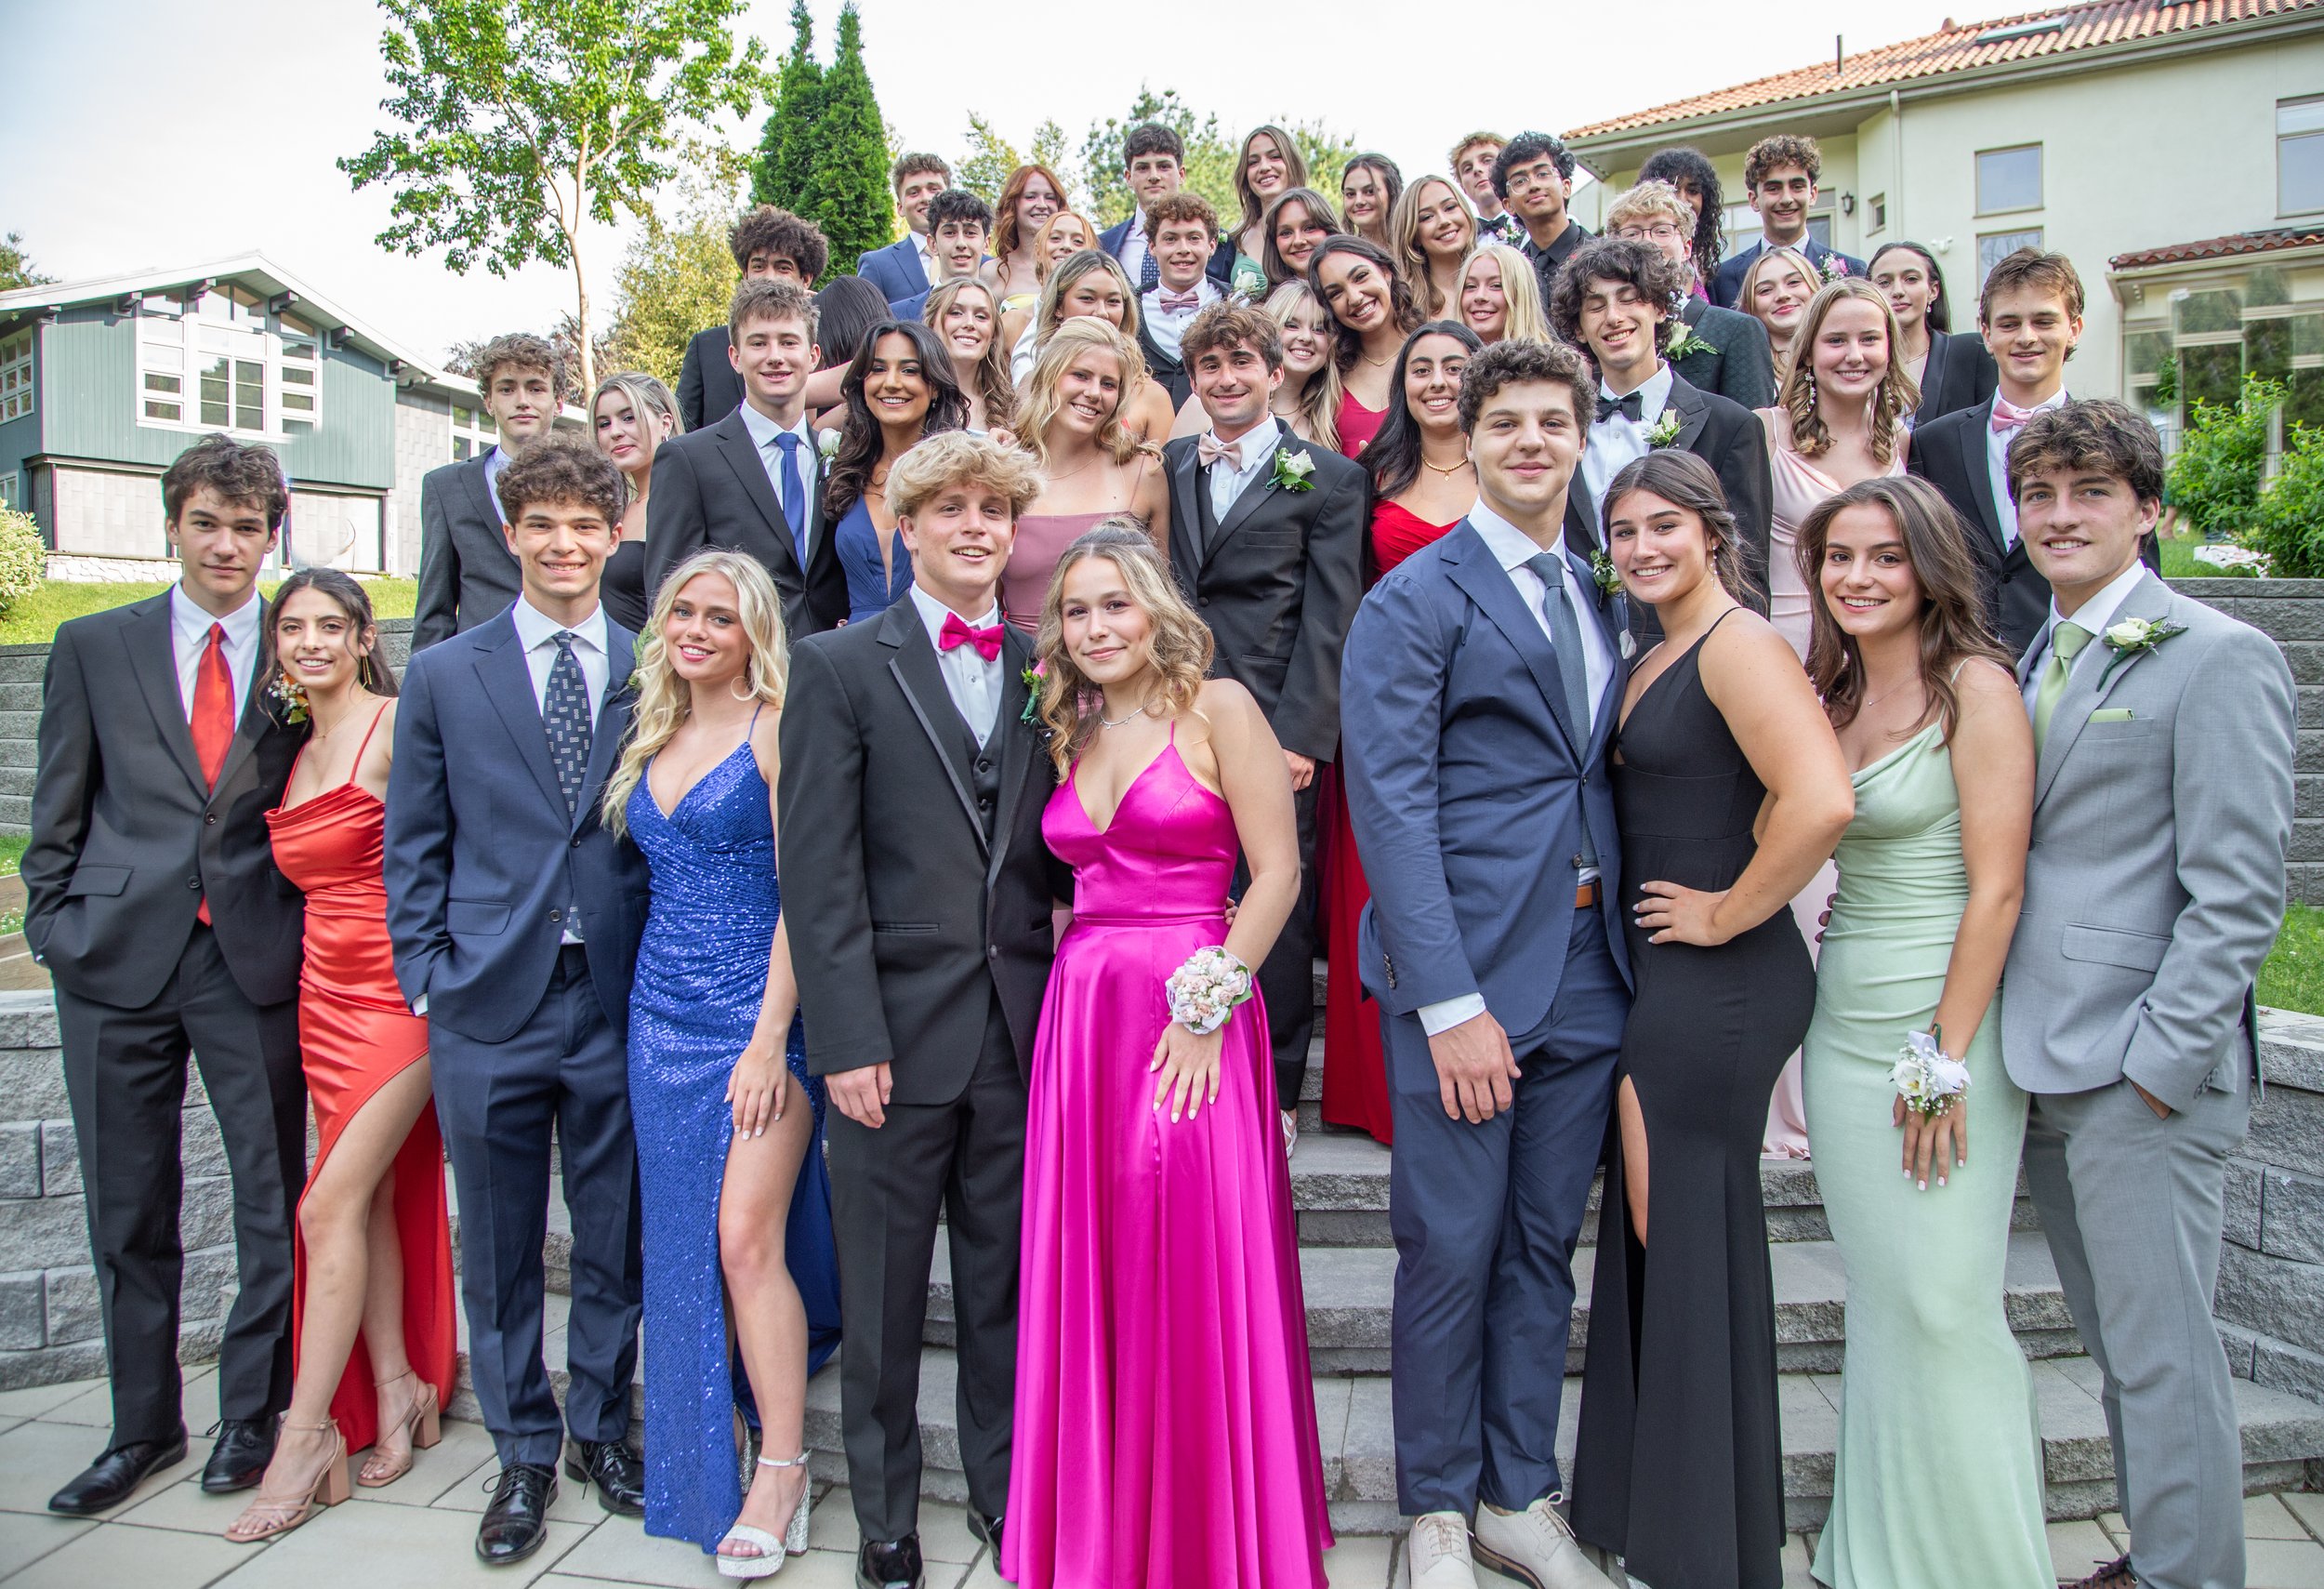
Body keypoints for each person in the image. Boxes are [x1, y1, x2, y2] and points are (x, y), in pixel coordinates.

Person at [1342, 339, 1631, 1589]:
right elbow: (1391, 807)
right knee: (1450, 1244)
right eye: (1504, 420)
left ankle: (1520, 1490)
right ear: (1471, 436)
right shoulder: (1418, 597)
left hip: (1589, 963)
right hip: (1462, 974)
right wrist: (1450, 1002)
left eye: (1551, 421)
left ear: (1580, 437)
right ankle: (1436, 1509)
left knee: (1538, 1244)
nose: (1528, 441)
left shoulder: (1604, 589)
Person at [1003, 523, 1332, 1589]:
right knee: (1094, 1259)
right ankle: (1102, 1529)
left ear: (1156, 610)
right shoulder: (1072, 725)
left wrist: (1208, 1000)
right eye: (1077, 610)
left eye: (1114, 604)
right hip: (1084, 1016)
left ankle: (1204, 1531)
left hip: (1189, 1011)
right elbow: (1069, 889)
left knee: (1184, 1249)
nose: (1096, 627)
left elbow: (1276, 873)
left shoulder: (1219, 708)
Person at [2004, 401, 2293, 1589]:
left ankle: (2189, 1575)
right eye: (2040, 496)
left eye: (2090, 494)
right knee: (2123, 1349)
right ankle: (2156, 1553)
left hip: (2141, 1077)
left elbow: (2238, 890)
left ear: (2149, 511)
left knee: (2166, 1353)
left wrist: (2158, 1065)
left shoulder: (2217, 654)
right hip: (2045, 1057)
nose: (2060, 516)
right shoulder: (2037, 646)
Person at [779, 431, 1063, 1589]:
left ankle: (1003, 1494)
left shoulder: (1055, 663)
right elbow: (818, 869)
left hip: (1019, 1031)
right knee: (886, 1295)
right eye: (946, 507)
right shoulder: (840, 664)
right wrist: (842, 1035)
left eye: (991, 508)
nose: (972, 526)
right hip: (886, 1042)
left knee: (1003, 1288)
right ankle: (886, 1517)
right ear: (904, 527)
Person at [1568, 450, 1855, 1589]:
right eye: (1623, 531)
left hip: (1720, 975)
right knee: (1667, 1230)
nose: (1641, 549)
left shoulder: (1739, 642)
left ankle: (1701, 1546)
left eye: (1662, 527)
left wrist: (1732, 909)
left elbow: (1819, 796)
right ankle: (1673, 1511)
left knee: (1679, 1226)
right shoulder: (1653, 650)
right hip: (1667, 969)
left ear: (1712, 528)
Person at [384, 436, 653, 1565]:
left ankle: (601, 1424)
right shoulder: (447, 669)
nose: (564, 543)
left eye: (585, 525)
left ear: (611, 536)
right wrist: (430, 974)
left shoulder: (654, 664)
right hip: (486, 1000)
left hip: (614, 993)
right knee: (495, 1244)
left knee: (612, 1236)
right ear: (510, 537)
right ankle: (523, 1451)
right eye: (542, 524)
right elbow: (414, 841)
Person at [32, 437, 311, 1518]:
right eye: (209, 523)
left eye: (249, 527)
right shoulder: (95, 644)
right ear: (173, 525)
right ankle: (141, 1424)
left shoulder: (303, 643)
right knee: (127, 1205)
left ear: (272, 534)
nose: (229, 545)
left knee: (268, 1193)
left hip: (248, 956)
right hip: (115, 959)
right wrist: (55, 927)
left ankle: (254, 1411)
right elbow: (57, 804)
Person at [1793, 476, 2049, 1589]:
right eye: (1838, 557)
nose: (1856, 577)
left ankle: (1984, 1563)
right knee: (1890, 1293)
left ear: (1928, 565)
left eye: (1884, 557)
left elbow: (1997, 889)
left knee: (1947, 1301)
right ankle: (1877, 1553)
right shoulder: (1830, 693)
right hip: (1842, 1016)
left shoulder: (1975, 688)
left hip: (1943, 1024)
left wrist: (1943, 1056)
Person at [603, 550, 842, 1570]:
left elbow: (806, 893)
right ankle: (710, 1455)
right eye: (681, 612)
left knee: (746, 1239)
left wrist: (764, 1039)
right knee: (680, 1245)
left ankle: (784, 1466)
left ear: (754, 634)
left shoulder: (776, 727)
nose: (696, 630)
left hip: (761, 1021)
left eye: (720, 616)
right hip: (658, 1016)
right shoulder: (651, 726)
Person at [222, 572, 454, 1543]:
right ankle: (397, 1385)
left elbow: (459, 839)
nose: (310, 641)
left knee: (324, 1204)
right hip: (321, 994)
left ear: (364, 637)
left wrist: (447, 971)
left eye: (330, 626)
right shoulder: (291, 743)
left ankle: (306, 1431)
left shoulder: (396, 723)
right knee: (364, 1197)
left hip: (401, 997)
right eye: (292, 627)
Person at [1163, 301, 1367, 1153]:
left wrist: (1303, 736)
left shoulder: (1326, 477)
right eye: (1211, 367)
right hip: (1175, 712)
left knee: (1269, 897)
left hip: (1273, 722)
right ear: (1195, 379)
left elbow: (1333, 614)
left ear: (1276, 373)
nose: (1227, 379)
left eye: (1243, 363)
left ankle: (1276, 1092)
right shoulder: (1174, 464)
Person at [1320, 321, 1481, 1149]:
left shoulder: (1505, 469)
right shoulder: (1370, 477)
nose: (1437, 380)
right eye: (1421, 368)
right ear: (1401, 386)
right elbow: (1340, 599)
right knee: (1381, 884)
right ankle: (1377, 1092)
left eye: (1456, 366)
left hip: (1490, 707)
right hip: (1388, 703)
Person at [1908, 249, 2152, 657]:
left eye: (2043, 321)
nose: (2026, 337)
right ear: (1986, 333)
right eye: (2009, 323)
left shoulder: (2117, 441)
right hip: (1960, 658)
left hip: (2081, 655)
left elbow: (2142, 563)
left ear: (2074, 329)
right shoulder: (1935, 443)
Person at [1548, 237, 1771, 615]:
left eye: (1629, 298)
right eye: (1595, 306)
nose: (1614, 317)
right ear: (1580, 329)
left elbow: (1747, 574)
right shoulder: (1559, 429)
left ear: (1661, 308)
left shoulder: (1731, 427)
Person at [646, 279, 849, 640]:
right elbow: (669, 591)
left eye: (789, 342)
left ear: (813, 356)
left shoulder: (839, 456)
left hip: (831, 666)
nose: (775, 356)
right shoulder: (688, 460)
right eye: (759, 343)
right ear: (735, 357)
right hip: (738, 671)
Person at [1761, 277, 1918, 656]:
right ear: (1809, 352)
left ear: (1889, 349)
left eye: (1869, 339)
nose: (1854, 355)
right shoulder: (1766, 431)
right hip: (1784, 644)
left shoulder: (1900, 440)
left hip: (1874, 647)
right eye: (1836, 341)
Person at [1008, 318, 1170, 629]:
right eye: (1080, 375)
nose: (1094, 393)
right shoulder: (1007, 472)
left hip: (1114, 670)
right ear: (1050, 378)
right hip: (1020, 665)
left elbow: (1161, 601)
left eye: (1108, 384)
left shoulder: (1144, 473)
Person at [414, 334, 561, 650]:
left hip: (569, 658)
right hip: (480, 663)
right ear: (489, 402)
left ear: (557, 402)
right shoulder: (446, 488)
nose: (522, 400)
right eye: (507, 389)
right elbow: (434, 609)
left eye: (536, 388)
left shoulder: (595, 481)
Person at [827, 321, 971, 623]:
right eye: (878, 369)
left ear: (934, 387)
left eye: (909, 370)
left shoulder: (963, 473)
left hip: (935, 644)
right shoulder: (844, 473)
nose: (891, 382)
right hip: (855, 650)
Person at [1604, 179, 1775, 410]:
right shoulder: (1605, 330)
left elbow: (1752, 432)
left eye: (1661, 231)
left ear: (1686, 248)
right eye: (1632, 233)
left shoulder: (1736, 330)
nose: (1647, 242)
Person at [677, 206, 828, 430]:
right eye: (759, 266)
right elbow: (682, 431)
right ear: (745, 275)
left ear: (805, 279)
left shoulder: (826, 347)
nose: (769, 277)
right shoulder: (706, 347)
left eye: (782, 268)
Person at [1007, 249, 1175, 441]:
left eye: (1113, 301)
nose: (1102, 312)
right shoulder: (1033, 382)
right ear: (1058, 307)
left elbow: (1158, 470)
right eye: (1087, 298)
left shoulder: (1152, 396)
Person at [1711, 135, 1867, 309]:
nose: (1786, 199)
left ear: (1813, 194)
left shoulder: (1854, 271)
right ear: (1754, 199)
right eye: (1773, 189)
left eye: (1797, 187)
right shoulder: (1723, 278)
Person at [1311, 235, 1424, 457]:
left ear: (1386, 272)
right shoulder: (1328, 374)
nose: (1354, 298)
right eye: (1336, 293)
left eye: (1360, 277)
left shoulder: (1433, 352)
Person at [1870, 241, 1998, 428]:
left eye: (1911, 279)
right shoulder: (1860, 361)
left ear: (1933, 290)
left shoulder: (1972, 352)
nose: (1897, 291)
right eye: (1884, 282)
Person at [591, 372, 682, 632]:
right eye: (603, 424)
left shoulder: (685, 505)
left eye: (628, 418)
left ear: (665, 423)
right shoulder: (614, 510)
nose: (615, 432)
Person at [1100, 122, 1232, 292]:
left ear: (1181, 174)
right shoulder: (1104, 244)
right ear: (1128, 177)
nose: (1154, 176)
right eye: (1143, 168)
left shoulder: (1224, 244)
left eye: (1163, 167)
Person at [1138, 191, 1227, 411]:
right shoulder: (1128, 305)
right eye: (1170, 239)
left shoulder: (1237, 303)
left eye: (1194, 238)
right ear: (1152, 247)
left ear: (1212, 245)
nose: (1183, 249)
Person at [1493, 132, 1592, 304]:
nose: (1533, 185)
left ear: (1566, 187)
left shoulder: (1601, 255)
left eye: (1543, 174)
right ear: (1508, 205)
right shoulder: (1511, 271)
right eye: (1520, 181)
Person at [858, 152, 954, 307]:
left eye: (934, 189)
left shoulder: (983, 263)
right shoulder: (877, 265)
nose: (926, 198)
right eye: (914, 192)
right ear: (900, 207)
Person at [925, 277, 1015, 435]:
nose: (969, 323)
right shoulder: (915, 396)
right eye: (956, 313)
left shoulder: (1011, 407)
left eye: (981, 316)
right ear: (932, 324)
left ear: (993, 333)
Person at [998, 211, 1097, 354]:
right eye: (1056, 238)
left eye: (1078, 241)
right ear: (1038, 251)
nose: (1066, 246)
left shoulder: (1100, 319)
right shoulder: (1011, 322)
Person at [1228, 125, 1309, 297]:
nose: (1264, 167)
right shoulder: (1237, 237)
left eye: (1275, 157)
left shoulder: (1317, 230)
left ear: (1291, 163)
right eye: (1253, 162)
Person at [1637, 147, 1727, 300]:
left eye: (1692, 191)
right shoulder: (1636, 257)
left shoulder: (1705, 269)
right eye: (1673, 189)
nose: (1683, 200)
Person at [1264, 280, 1344, 450]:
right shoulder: (1216, 403)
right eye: (1292, 325)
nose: (1306, 337)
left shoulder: (1328, 427)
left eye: (1319, 329)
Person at [983, 162, 1069, 315]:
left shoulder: (1074, 265)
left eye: (1050, 198)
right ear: (1012, 205)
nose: (1042, 205)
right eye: (1031, 197)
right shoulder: (992, 271)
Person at [894, 189, 993, 324]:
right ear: (933, 244)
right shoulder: (896, 315)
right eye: (950, 233)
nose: (961, 243)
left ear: (986, 244)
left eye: (970, 233)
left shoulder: (1003, 314)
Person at [1392, 174, 1479, 319]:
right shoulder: (1405, 306)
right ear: (1414, 235)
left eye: (1450, 207)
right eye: (1427, 217)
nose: (1444, 221)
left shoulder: (1503, 278)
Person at [1737, 245, 1818, 382]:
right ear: (1749, 308)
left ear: (1815, 289)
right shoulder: (1743, 369)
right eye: (1765, 290)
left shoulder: (1842, 354)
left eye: (1793, 282)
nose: (1782, 295)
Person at [1456, 243, 1552, 347]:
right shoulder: (1442, 359)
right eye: (1471, 286)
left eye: (1496, 285)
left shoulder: (1554, 361)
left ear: (1520, 294)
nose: (1480, 296)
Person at [1261, 187, 1346, 291]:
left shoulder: (1356, 291)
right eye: (1286, 233)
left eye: (1309, 228)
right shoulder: (1265, 304)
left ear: (1330, 232)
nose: (1298, 241)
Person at [1449, 131, 1521, 245]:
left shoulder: (1532, 223)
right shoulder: (1462, 243)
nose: (1476, 169)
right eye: (1467, 168)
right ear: (1463, 187)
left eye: (1487, 160)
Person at [1340, 152, 1404, 250]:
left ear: (1392, 192)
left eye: (1370, 191)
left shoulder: (1418, 250)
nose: (1359, 201)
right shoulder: (1340, 255)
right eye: (1351, 194)